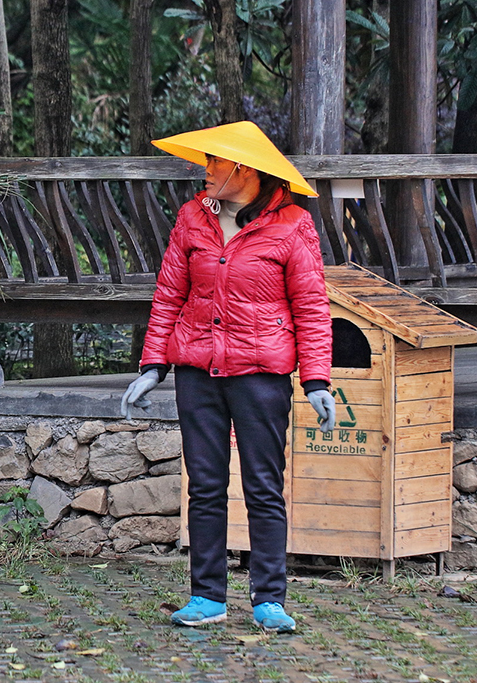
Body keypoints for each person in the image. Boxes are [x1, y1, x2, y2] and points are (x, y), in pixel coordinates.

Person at [121, 121, 335, 633]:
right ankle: (207, 597)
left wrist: (318, 380)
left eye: (214, 162)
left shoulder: (292, 224)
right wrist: (153, 366)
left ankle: (269, 601)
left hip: (261, 373)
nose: (205, 169)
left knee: (264, 485)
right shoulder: (192, 217)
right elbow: (170, 293)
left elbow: (311, 307)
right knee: (207, 485)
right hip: (197, 370)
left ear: (241, 170)